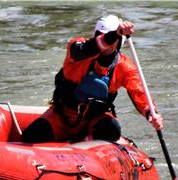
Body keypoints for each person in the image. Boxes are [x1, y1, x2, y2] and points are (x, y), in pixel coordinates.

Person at [20, 15, 164, 144]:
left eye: (114, 39)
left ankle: (84, 144)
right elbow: (92, 46)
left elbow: (139, 92)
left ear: (119, 42)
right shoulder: (77, 49)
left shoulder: (125, 67)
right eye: (102, 36)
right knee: (30, 137)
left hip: (94, 120)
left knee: (111, 130)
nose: (108, 44)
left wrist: (152, 114)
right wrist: (115, 34)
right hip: (62, 116)